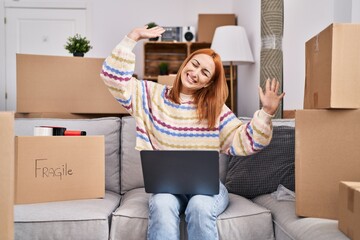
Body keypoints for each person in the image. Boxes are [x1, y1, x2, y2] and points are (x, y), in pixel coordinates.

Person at [100, 25, 285, 240]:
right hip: (168, 188)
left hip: (206, 191)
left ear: (208, 83)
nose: (195, 73)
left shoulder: (215, 111)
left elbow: (247, 142)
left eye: (204, 72)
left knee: (199, 206)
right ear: (185, 63)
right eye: (194, 65)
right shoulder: (150, 96)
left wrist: (266, 113)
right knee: (161, 203)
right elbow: (112, 77)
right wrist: (132, 37)